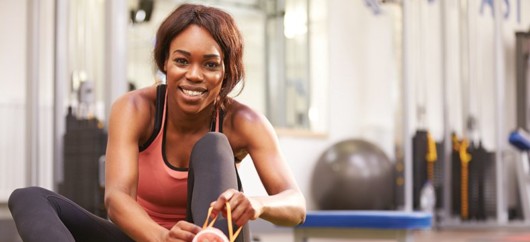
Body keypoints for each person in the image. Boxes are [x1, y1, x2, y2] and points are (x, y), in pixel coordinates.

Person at [8, 3, 306, 242]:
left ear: (227, 72)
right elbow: (117, 198)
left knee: (213, 145)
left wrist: (258, 205)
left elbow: (296, 205)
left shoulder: (244, 122)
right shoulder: (135, 108)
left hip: (211, 237)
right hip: (149, 237)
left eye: (210, 64)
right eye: (182, 61)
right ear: (165, 62)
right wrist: (162, 237)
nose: (194, 74)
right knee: (28, 198)